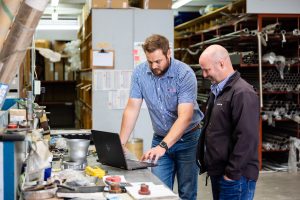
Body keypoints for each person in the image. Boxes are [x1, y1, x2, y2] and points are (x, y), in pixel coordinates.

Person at [120, 34, 204, 200]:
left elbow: (185, 117)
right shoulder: (140, 73)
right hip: (160, 137)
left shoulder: (184, 74)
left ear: (168, 53)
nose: (154, 66)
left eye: (158, 61)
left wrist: (163, 146)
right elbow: (132, 109)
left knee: (187, 192)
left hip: (188, 139)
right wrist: (120, 143)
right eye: (150, 61)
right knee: (157, 190)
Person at [197, 44, 260, 200]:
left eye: (207, 70)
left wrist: (231, 174)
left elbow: (247, 138)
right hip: (219, 172)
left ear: (222, 64)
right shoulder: (217, 91)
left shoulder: (242, 93)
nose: (204, 75)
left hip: (236, 177)